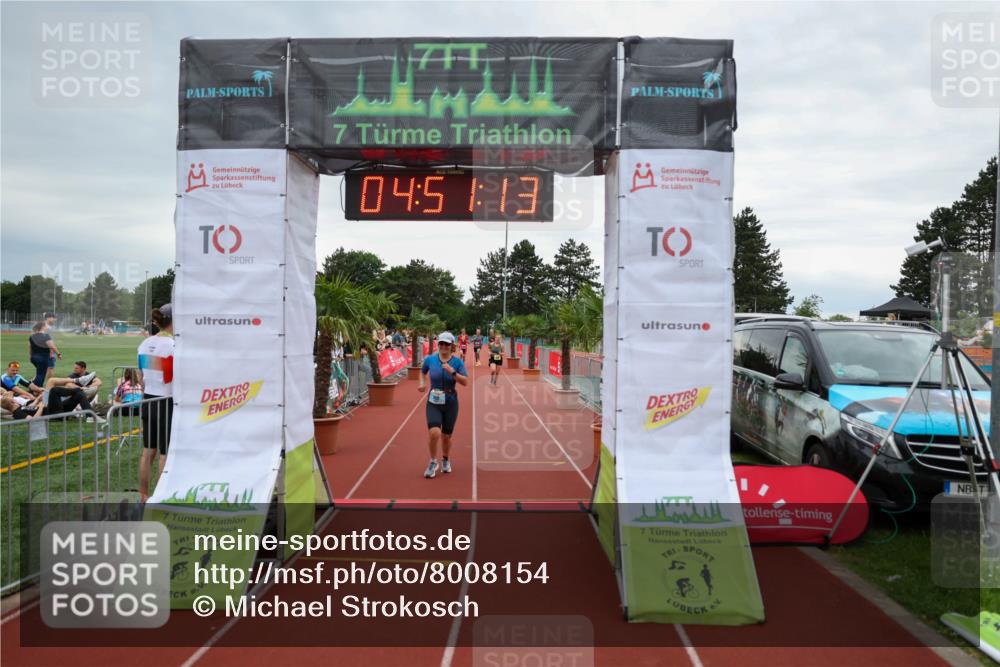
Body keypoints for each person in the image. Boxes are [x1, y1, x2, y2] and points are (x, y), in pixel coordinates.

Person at [418, 331, 468, 478]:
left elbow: (465, 382)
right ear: (438, 344)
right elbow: (422, 372)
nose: (444, 346)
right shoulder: (430, 359)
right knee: (434, 433)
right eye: (441, 343)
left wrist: (453, 372)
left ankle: (445, 459)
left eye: (447, 344)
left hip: (451, 402)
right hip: (434, 401)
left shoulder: (457, 362)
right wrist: (422, 383)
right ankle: (433, 461)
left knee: (446, 437)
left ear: (452, 345)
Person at [137, 304, 175, 502]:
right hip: (166, 400)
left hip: (148, 398)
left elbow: (140, 376)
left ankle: (143, 496)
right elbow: (174, 376)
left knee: (147, 451)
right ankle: (159, 498)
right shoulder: (173, 345)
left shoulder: (145, 343)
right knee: (165, 453)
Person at [28, 321, 60, 388]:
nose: (47, 327)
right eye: (45, 326)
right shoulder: (46, 336)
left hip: (34, 358)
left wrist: (30, 356)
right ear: (42, 327)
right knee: (41, 375)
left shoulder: (32, 336)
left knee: (39, 373)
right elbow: (51, 346)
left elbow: (30, 347)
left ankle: (33, 385)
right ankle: (37, 388)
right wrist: (58, 353)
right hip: (42, 358)